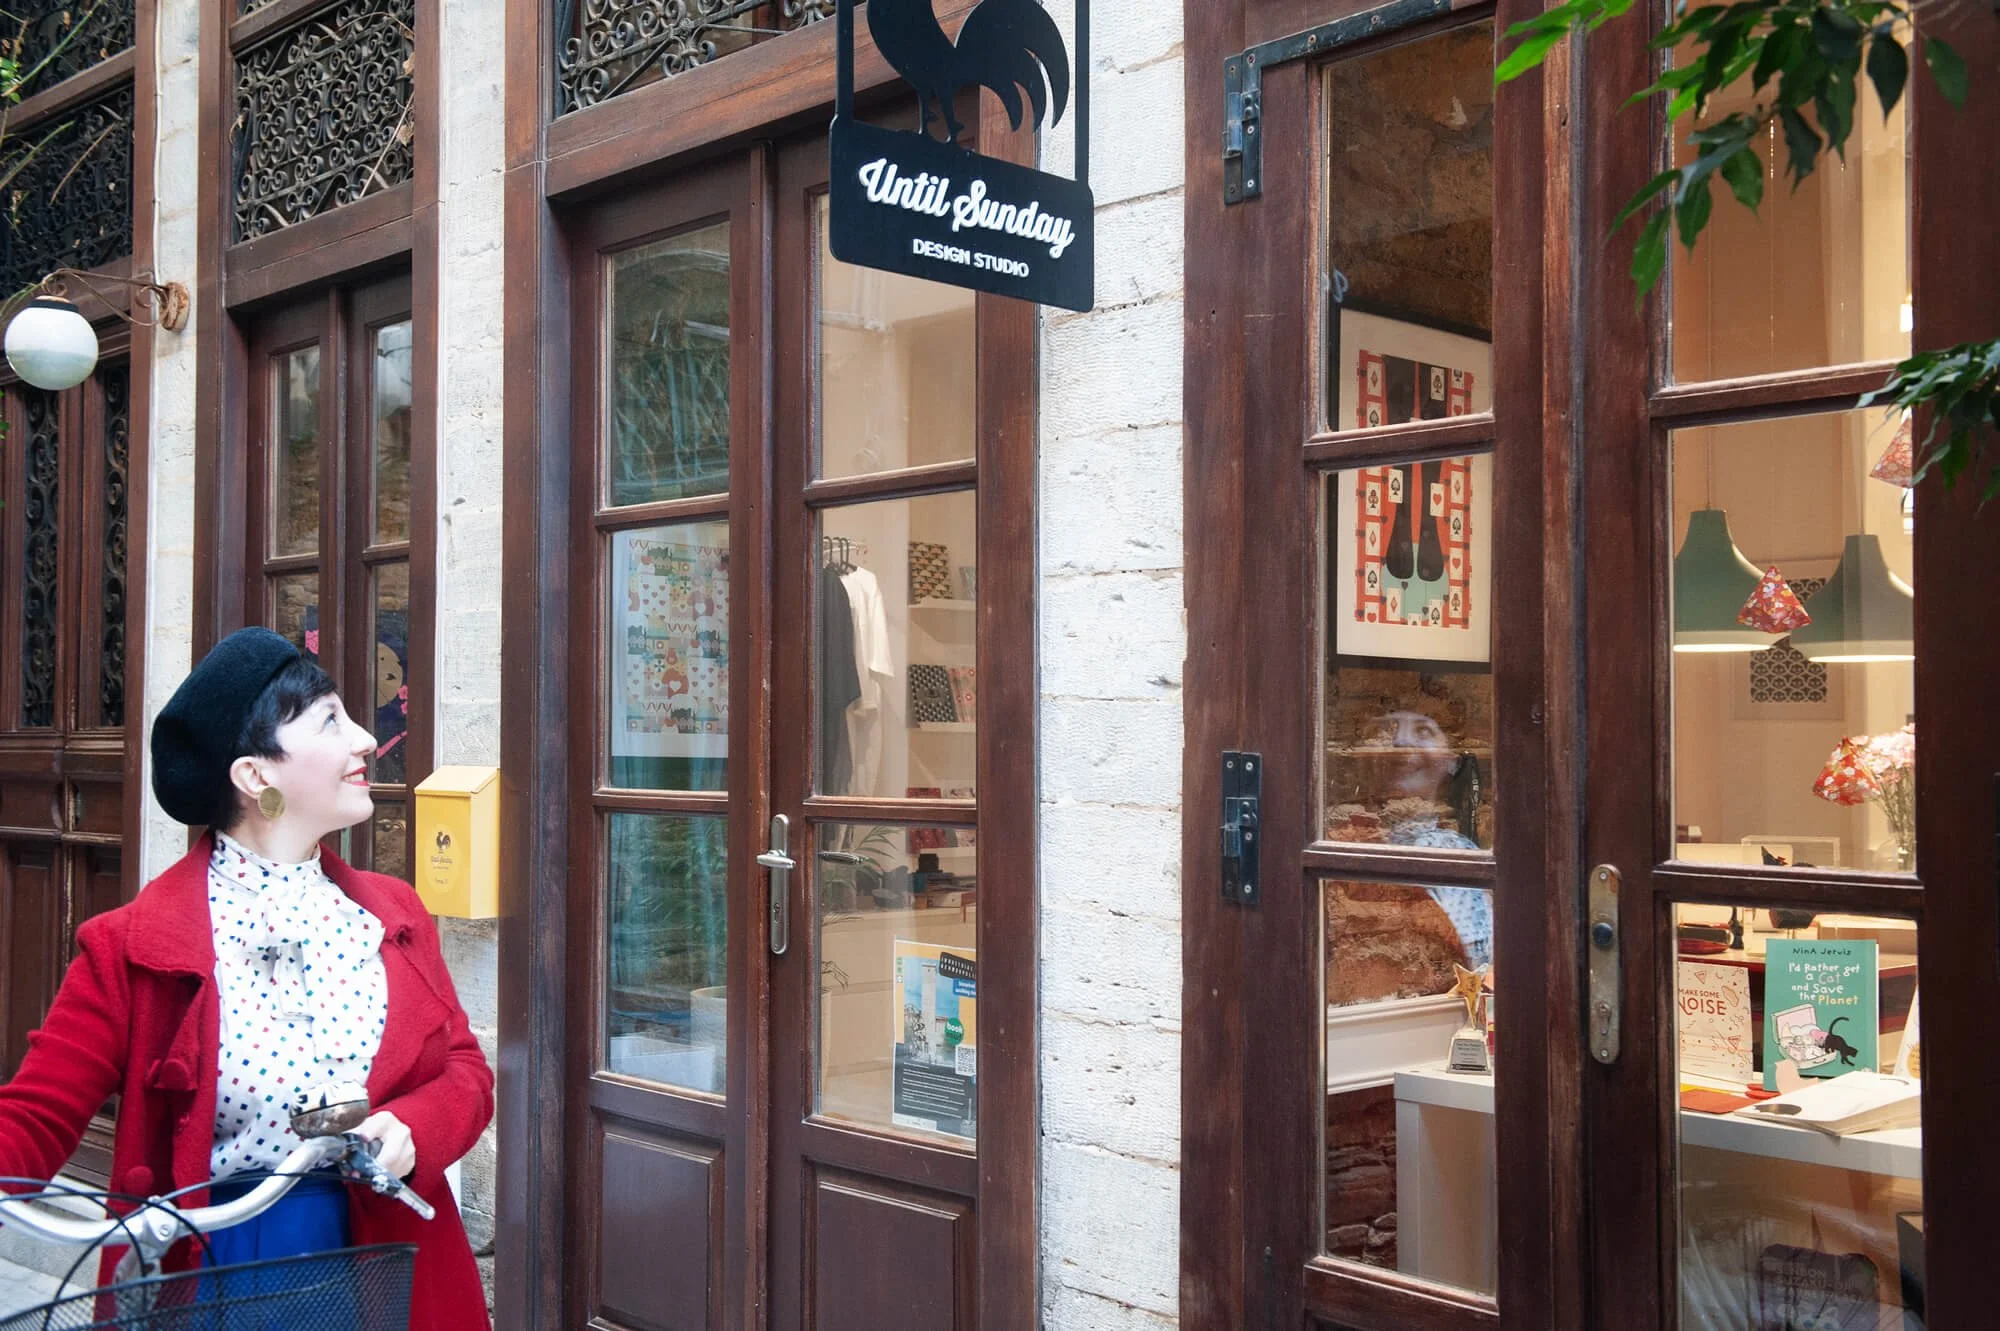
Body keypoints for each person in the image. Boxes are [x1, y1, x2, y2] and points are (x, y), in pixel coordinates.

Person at [0, 628, 493, 1329]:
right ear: (255, 775)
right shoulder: (130, 947)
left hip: (389, 1263)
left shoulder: (394, 913)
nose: (363, 740)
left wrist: (413, 1128)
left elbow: (467, 1071)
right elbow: (33, 1118)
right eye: (330, 720)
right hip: (215, 1269)